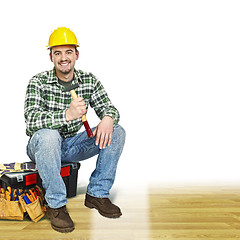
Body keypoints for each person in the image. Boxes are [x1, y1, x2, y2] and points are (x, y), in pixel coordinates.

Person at [24, 27, 126, 233]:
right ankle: (56, 205)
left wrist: (108, 118)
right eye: (58, 53)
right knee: (49, 135)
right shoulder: (38, 82)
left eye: (68, 52)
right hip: (42, 145)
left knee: (118, 131)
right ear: (51, 56)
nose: (63, 58)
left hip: (72, 146)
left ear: (76, 55)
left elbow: (110, 108)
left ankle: (97, 194)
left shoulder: (88, 81)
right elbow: (31, 121)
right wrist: (66, 115)